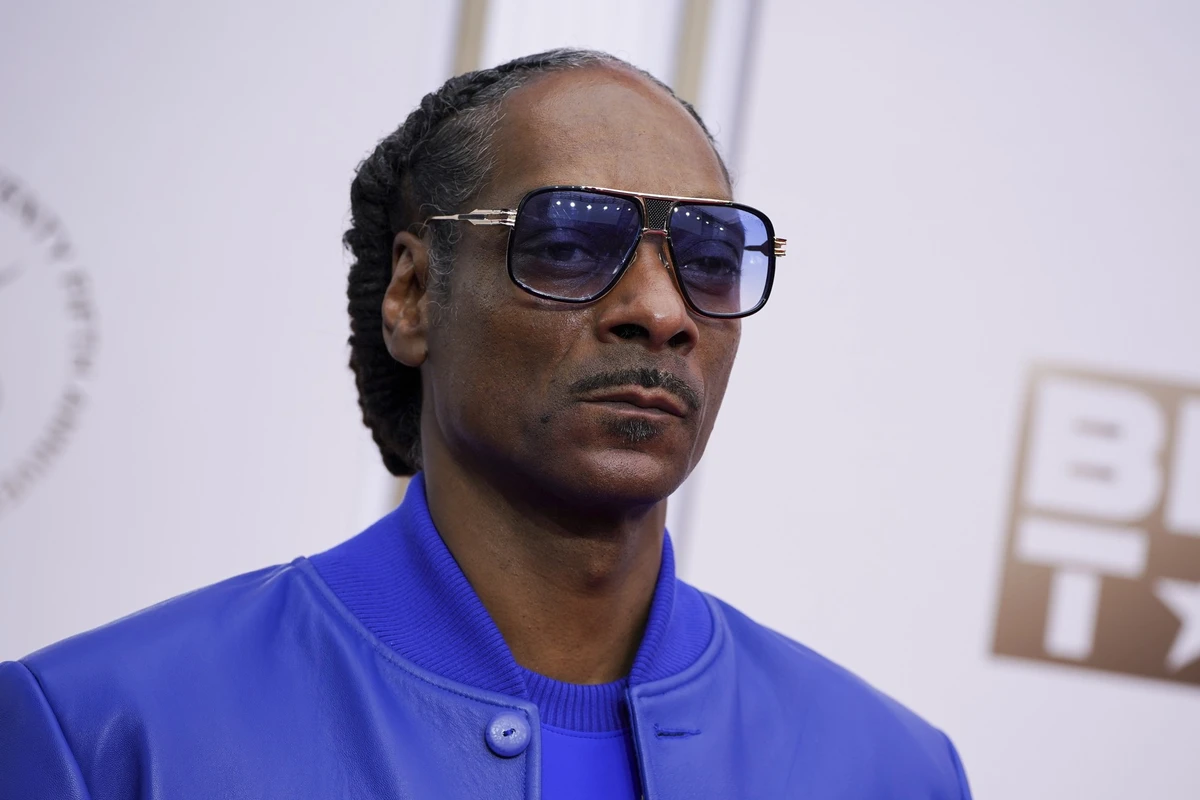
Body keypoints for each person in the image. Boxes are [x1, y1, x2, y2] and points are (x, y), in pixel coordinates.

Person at [0, 49, 971, 799]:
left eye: (709, 258)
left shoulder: (889, 769)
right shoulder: (107, 731)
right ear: (414, 295)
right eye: (568, 240)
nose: (662, 309)